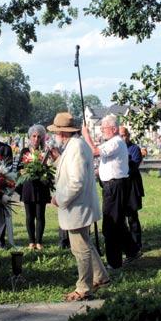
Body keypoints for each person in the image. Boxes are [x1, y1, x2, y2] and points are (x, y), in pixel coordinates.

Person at [48, 112, 109, 301]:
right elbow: (71, 171)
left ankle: (84, 287)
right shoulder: (74, 146)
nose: (55, 136)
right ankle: (101, 277)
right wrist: (58, 160)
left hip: (77, 206)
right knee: (85, 244)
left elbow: (76, 181)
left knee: (80, 248)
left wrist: (60, 198)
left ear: (62, 133)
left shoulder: (76, 147)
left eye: (57, 132)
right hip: (79, 206)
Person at [83, 115, 140, 269]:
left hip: (115, 187)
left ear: (113, 129)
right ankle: (132, 249)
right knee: (118, 223)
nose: (102, 131)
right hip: (113, 186)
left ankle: (114, 262)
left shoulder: (115, 142)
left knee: (111, 225)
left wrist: (86, 134)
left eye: (104, 128)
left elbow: (94, 151)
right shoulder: (112, 143)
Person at [16, 124, 52, 250]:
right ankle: (31, 241)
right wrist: (24, 171)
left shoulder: (45, 151)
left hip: (41, 186)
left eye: (39, 136)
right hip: (28, 187)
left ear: (42, 138)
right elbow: (19, 169)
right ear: (30, 137)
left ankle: (39, 241)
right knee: (29, 216)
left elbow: (49, 167)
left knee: (40, 215)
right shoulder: (24, 151)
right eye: (34, 136)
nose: (36, 139)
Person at [119, 126, 144, 251]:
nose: (122, 138)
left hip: (132, 188)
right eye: (120, 135)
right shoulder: (116, 149)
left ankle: (137, 243)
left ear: (128, 135)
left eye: (124, 135)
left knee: (132, 217)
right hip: (120, 188)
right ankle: (125, 244)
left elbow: (132, 168)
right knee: (120, 218)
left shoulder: (134, 149)